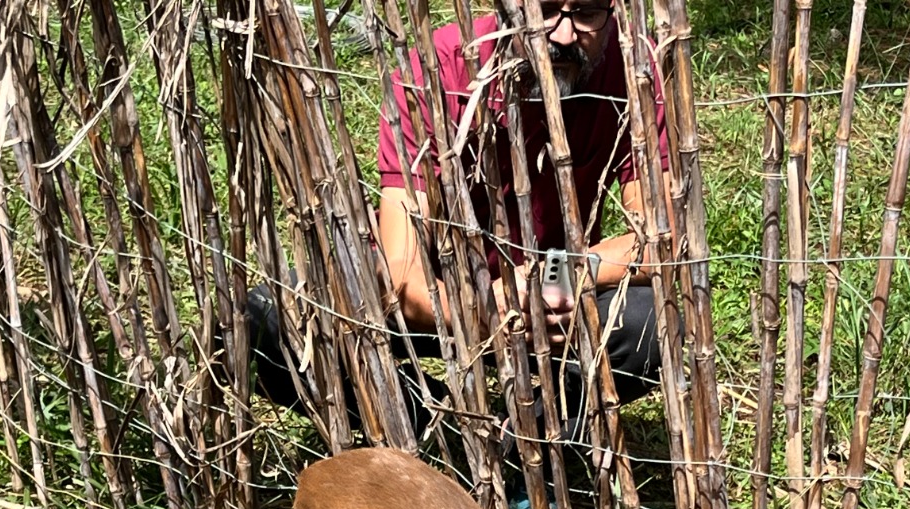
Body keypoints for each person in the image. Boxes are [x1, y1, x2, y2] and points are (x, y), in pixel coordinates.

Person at [245, 1, 668, 444]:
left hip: (555, 296)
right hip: (443, 295)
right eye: (544, 9)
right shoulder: (435, 71)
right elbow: (403, 279)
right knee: (268, 318)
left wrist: (560, 274)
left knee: (654, 322)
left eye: (586, 11)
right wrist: (491, 310)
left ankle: (532, 436)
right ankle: (439, 426)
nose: (562, 35)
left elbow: (659, 237)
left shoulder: (634, 69)